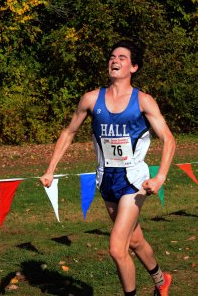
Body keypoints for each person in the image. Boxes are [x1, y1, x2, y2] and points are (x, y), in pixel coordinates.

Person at [40, 40, 176, 296]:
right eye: (112, 56)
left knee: (116, 247)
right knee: (134, 240)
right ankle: (161, 280)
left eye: (122, 57)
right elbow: (68, 133)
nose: (115, 60)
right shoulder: (91, 99)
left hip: (134, 181)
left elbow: (169, 139)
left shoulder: (144, 101)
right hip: (106, 179)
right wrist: (50, 169)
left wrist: (160, 177)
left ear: (133, 66)